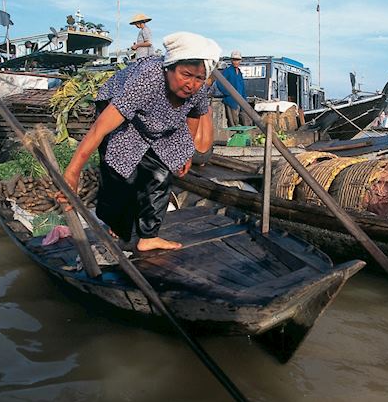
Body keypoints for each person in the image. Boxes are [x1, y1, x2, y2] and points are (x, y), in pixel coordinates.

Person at [62, 31, 220, 252]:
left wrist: (184, 152)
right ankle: (117, 222)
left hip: (159, 117)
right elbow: (99, 129)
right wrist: (73, 171)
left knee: (161, 173)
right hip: (119, 104)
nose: (191, 84)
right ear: (169, 67)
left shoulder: (198, 90)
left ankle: (149, 236)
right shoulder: (147, 78)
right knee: (121, 168)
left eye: (198, 78)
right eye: (186, 75)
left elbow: (194, 115)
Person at [215, 50, 249, 126]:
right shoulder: (227, 71)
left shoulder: (239, 72)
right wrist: (228, 94)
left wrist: (244, 99)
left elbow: (242, 87)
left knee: (243, 119)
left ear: (240, 61)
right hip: (231, 101)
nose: (236, 62)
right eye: (234, 60)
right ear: (231, 60)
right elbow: (219, 83)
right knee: (234, 122)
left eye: (237, 60)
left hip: (240, 101)